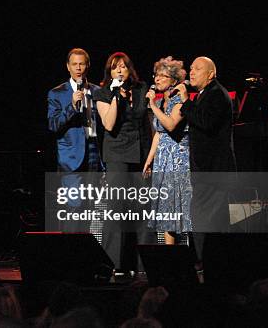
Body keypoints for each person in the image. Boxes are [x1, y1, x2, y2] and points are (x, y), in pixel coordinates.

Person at [93, 52, 154, 273]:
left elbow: (148, 122)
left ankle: (142, 264)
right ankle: (115, 264)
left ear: (130, 70)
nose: (119, 70)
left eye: (123, 67)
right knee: (117, 209)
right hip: (117, 154)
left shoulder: (141, 89)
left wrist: (151, 154)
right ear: (109, 72)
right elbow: (109, 124)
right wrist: (116, 96)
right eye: (115, 67)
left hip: (141, 153)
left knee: (142, 211)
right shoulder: (102, 93)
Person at [173, 56, 237, 260]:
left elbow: (205, 122)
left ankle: (205, 265)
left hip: (214, 172)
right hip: (206, 172)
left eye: (197, 69)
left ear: (210, 74)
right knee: (203, 219)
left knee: (208, 221)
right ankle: (203, 263)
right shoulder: (205, 94)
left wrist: (185, 101)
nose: (191, 72)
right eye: (190, 68)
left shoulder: (217, 94)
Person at [47, 48, 103, 232]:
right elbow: (54, 125)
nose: (78, 68)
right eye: (74, 64)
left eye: (82, 64)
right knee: (74, 208)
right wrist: (71, 106)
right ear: (68, 67)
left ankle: (86, 255)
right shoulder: (57, 93)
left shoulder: (97, 91)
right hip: (72, 159)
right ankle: (72, 256)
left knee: (89, 210)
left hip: (94, 155)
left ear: (87, 66)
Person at [143, 56, 192, 244]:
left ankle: (192, 257)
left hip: (178, 160)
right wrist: (150, 159)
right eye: (156, 75)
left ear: (174, 80)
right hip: (163, 159)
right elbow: (159, 133)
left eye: (163, 76)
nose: (157, 79)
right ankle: (169, 256)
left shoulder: (178, 99)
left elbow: (170, 125)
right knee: (165, 210)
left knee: (177, 208)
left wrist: (152, 105)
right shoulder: (161, 101)